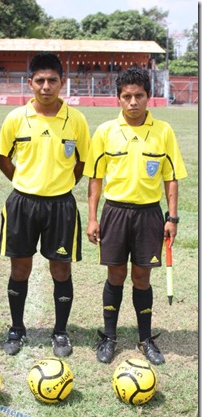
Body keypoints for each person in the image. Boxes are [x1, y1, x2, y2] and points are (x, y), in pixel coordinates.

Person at [84, 67, 187, 365]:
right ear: (118, 98)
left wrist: (173, 218)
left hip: (149, 215)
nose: (132, 102)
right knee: (115, 274)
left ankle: (145, 338)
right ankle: (109, 336)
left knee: (142, 277)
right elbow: (95, 179)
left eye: (138, 96)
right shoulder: (105, 131)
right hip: (115, 212)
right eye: (126, 96)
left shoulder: (163, 131)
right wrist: (92, 217)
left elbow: (171, 178)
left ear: (148, 97)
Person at [0, 52, 90, 357]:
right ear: (30, 83)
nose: (46, 86)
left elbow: (82, 164)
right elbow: (3, 160)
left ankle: (60, 332)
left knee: (60, 270)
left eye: (52, 80)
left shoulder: (76, 120)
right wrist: (25, 182)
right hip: (23, 203)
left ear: (62, 82)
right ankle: (16, 329)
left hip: (61, 205)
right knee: (20, 268)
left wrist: (60, 185)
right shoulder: (15, 118)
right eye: (40, 80)